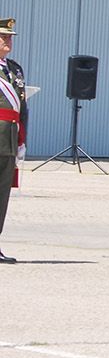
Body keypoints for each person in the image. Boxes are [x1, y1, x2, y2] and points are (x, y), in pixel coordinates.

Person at [0, 17, 28, 263]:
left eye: (9, 37)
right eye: (4, 37)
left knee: (1, 194)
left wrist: (22, 139)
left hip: (8, 139)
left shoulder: (15, 68)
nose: (8, 40)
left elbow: (22, 107)